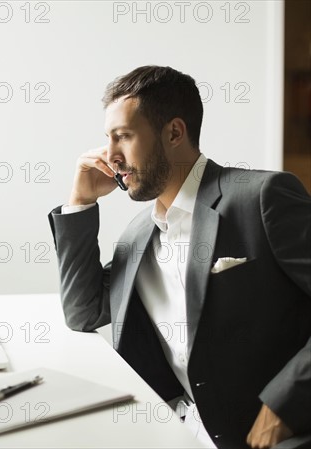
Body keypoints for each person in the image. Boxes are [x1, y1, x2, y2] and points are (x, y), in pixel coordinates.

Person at [48, 66, 311, 449]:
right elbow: (84, 311)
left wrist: (283, 407)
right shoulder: (139, 236)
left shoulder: (262, 196)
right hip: (180, 430)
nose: (111, 156)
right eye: (108, 139)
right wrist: (80, 202)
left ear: (174, 133)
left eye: (123, 136)